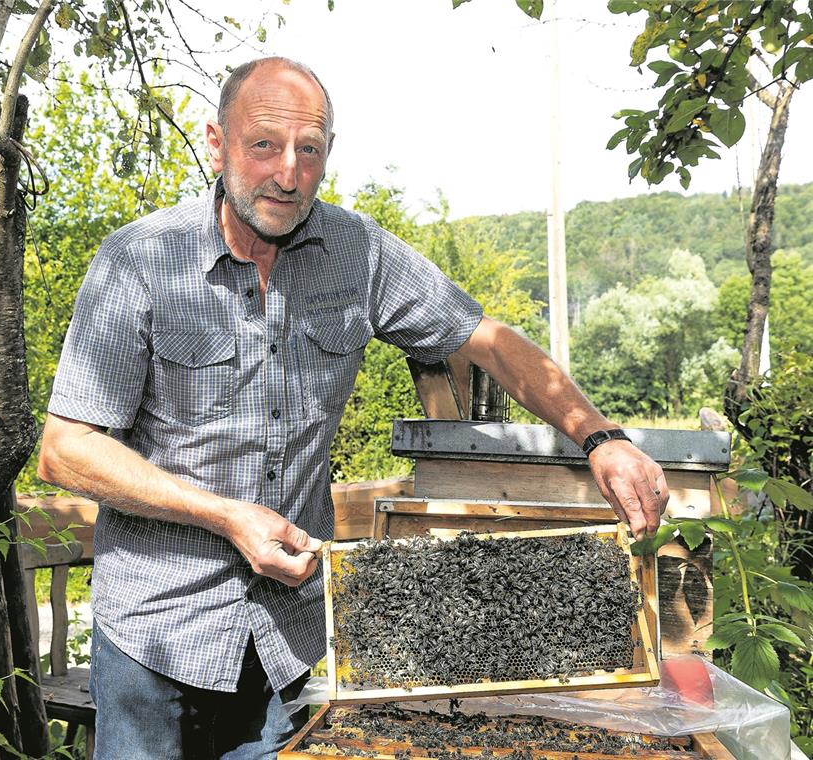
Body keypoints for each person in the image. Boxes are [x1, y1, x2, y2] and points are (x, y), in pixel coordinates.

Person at [38, 57, 669, 759]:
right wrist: (223, 514)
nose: (287, 173)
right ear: (216, 143)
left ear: (328, 153)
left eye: (308, 150)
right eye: (264, 146)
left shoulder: (357, 252)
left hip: (287, 638)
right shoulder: (137, 262)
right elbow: (65, 449)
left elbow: (487, 338)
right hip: (156, 639)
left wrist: (601, 438)